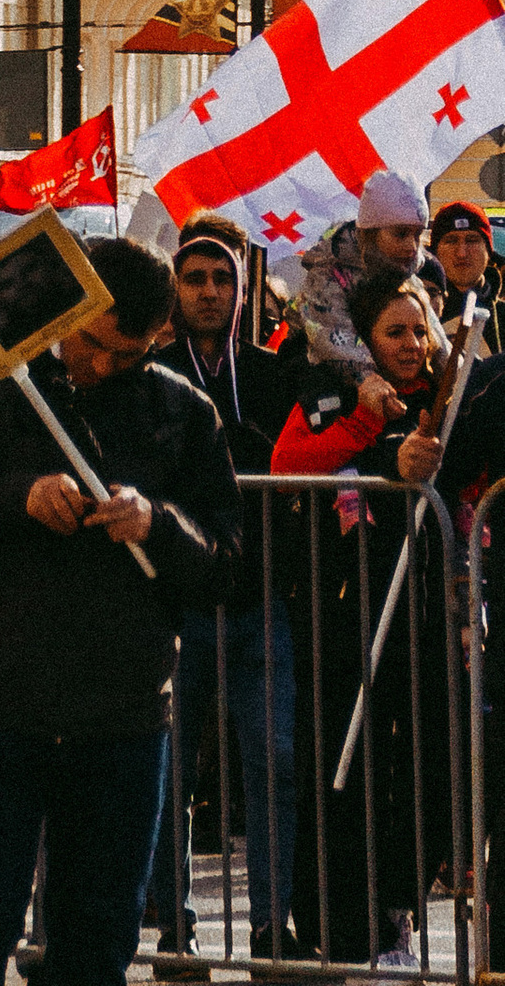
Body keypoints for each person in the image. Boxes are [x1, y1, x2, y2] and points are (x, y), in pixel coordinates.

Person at [0, 236, 237, 986]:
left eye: (129, 354)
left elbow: (227, 558)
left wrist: (159, 523)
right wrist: (15, 498)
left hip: (121, 717)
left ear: (160, 338)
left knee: (97, 944)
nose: (104, 365)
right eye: (93, 343)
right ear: (68, 313)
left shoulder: (183, 412)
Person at [273, 265, 460, 968]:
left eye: (419, 330)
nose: (411, 344)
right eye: (394, 332)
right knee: (344, 772)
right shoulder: (331, 390)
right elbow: (286, 463)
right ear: (365, 337)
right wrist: (371, 432)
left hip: (426, 609)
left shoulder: (447, 399)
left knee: (430, 766)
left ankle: (399, 906)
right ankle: (345, 928)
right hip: (345, 610)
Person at [146, 216, 305, 963]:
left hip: (259, 598)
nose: (209, 292)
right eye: (195, 279)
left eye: (222, 279)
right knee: (171, 771)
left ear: (242, 291)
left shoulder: (273, 375)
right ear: (174, 290)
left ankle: (272, 925)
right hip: (176, 604)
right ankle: (174, 926)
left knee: (273, 764)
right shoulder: (153, 378)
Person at [299, 169, 432, 385]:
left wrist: (456, 372)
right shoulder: (328, 275)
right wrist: (368, 379)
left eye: (417, 235)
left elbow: (433, 335)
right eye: (400, 234)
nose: (411, 246)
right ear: (371, 233)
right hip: (320, 373)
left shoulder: (406, 274)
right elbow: (332, 335)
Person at [430, 196, 498, 330]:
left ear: (488, 251)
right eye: (451, 241)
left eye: (472, 240)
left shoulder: (501, 315)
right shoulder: (418, 316)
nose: (462, 253)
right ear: (435, 252)